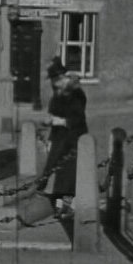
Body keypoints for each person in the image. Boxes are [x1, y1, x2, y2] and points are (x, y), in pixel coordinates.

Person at [38, 57, 89, 218]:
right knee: (56, 173)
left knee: (69, 175)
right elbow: (53, 112)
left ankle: (70, 207)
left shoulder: (76, 93)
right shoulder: (57, 94)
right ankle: (60, 206)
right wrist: (49, 125)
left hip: (73, 138)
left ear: (61, 78)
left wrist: (59, 121)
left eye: (54, 80)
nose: (53, 84)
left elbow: (78, 119)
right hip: (59, 138)